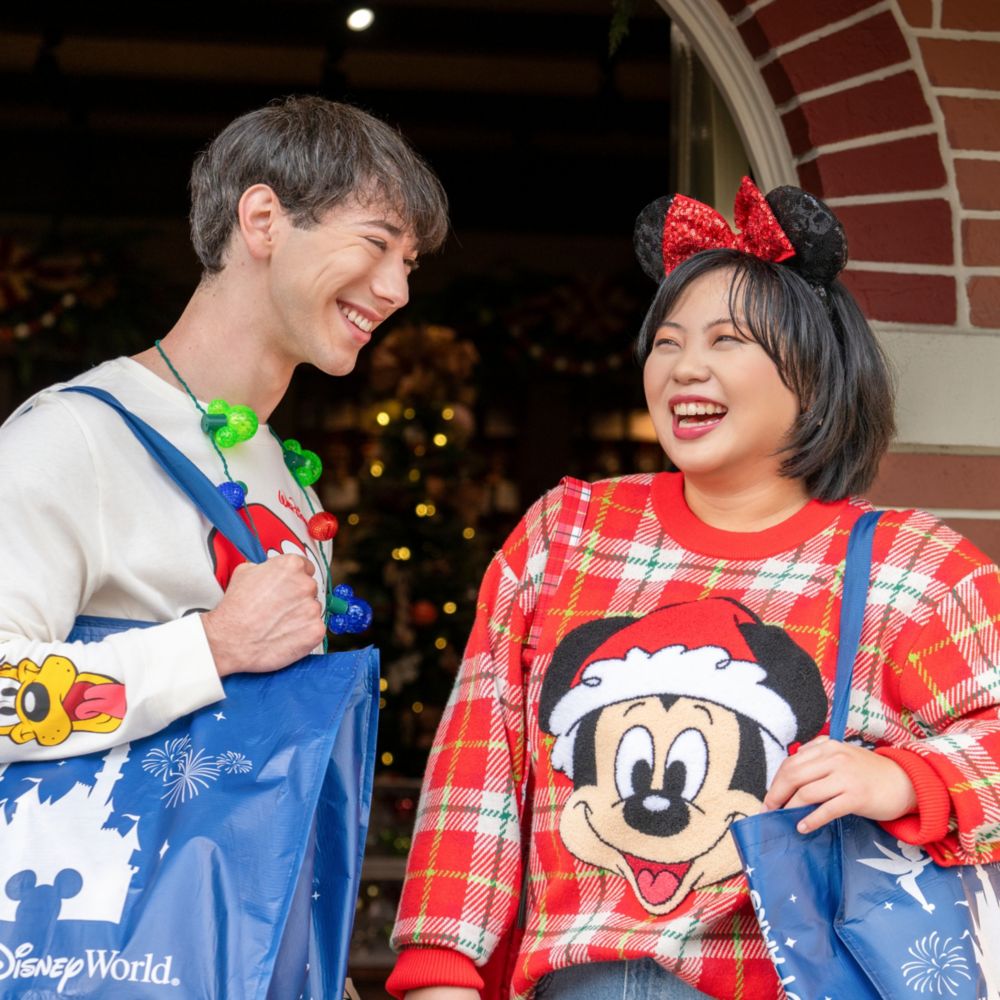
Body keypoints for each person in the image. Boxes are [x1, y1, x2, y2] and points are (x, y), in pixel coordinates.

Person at [386, 178, 1000, 999]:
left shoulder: (911, 568)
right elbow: (477, 773)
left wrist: (906, 781)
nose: (685, 369)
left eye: (727, 341)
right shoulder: (568, 532)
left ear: (816, 373)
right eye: (667, 343)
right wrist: (442, 973)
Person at [0, 94, 448, 762]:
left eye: (408, 263)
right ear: (264, 219)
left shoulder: (282, 470)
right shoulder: (74, 435)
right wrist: (214, 645)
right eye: (376, 243)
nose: (397, 291)